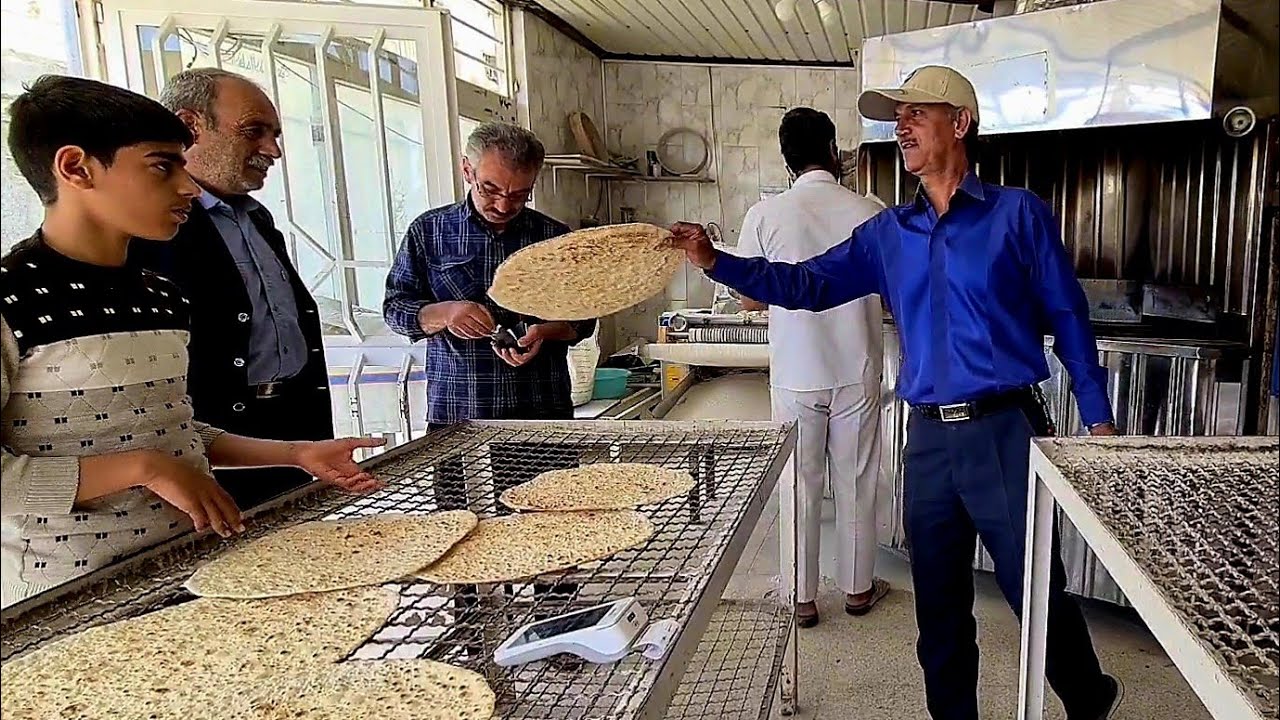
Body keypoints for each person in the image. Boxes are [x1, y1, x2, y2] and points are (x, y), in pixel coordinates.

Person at [669, 65, 1124, 720]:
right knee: (938, 608)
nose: (901, 125)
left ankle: (1090, 697)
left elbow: (1069, 315)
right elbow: (807, 285)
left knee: (1036, 597)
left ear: (960, 123)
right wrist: (718, 261)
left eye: (917, 112)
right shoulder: (889, 234)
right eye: (897, 115)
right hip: (930, 440)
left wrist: (1099, 418)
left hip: (1005, 433)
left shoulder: (1017, 215)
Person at [1, 75, 383, 608]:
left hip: (193, 565)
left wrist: (295, 452)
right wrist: (145, 467)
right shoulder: (10, 299)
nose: (187, 186)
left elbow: (173, 427)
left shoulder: (160, 296)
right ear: (75, 168)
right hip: (71, 595)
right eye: (163, 166)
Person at [128, 68, 333, 510]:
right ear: (190, 126)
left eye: (275, 134)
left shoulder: (256, 220)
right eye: (253, 131)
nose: (272, 150)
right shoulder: (148, 232)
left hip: (293, 431)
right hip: (211, 456)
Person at [732, 107, 889, 628]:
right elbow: (892, 291)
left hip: (797, 370)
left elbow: (750, 298)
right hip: (857, 365)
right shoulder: (871, 210)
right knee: (857, 477)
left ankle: (801, 596)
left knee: (799, 482)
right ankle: (859, 589)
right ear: (832, 149)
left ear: (786, 159)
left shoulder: (765, 215)